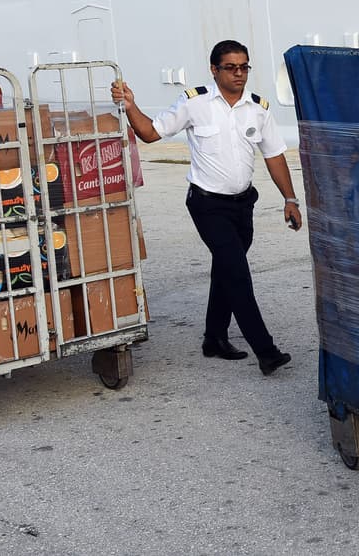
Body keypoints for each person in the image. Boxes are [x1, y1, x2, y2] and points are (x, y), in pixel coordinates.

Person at [111, 40, 302, 375]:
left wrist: (290, 199)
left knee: (226, 269)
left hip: (243, 205)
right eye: (230, 67)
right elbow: (150, 133)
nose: (239, 74)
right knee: (238, 274)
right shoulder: (195, 103)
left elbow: (274, 156)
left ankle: (214, 338)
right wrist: (129, 104)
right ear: (214, 70)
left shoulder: (259, 108)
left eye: (244, 67)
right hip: (207, 204)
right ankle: (266, 351)